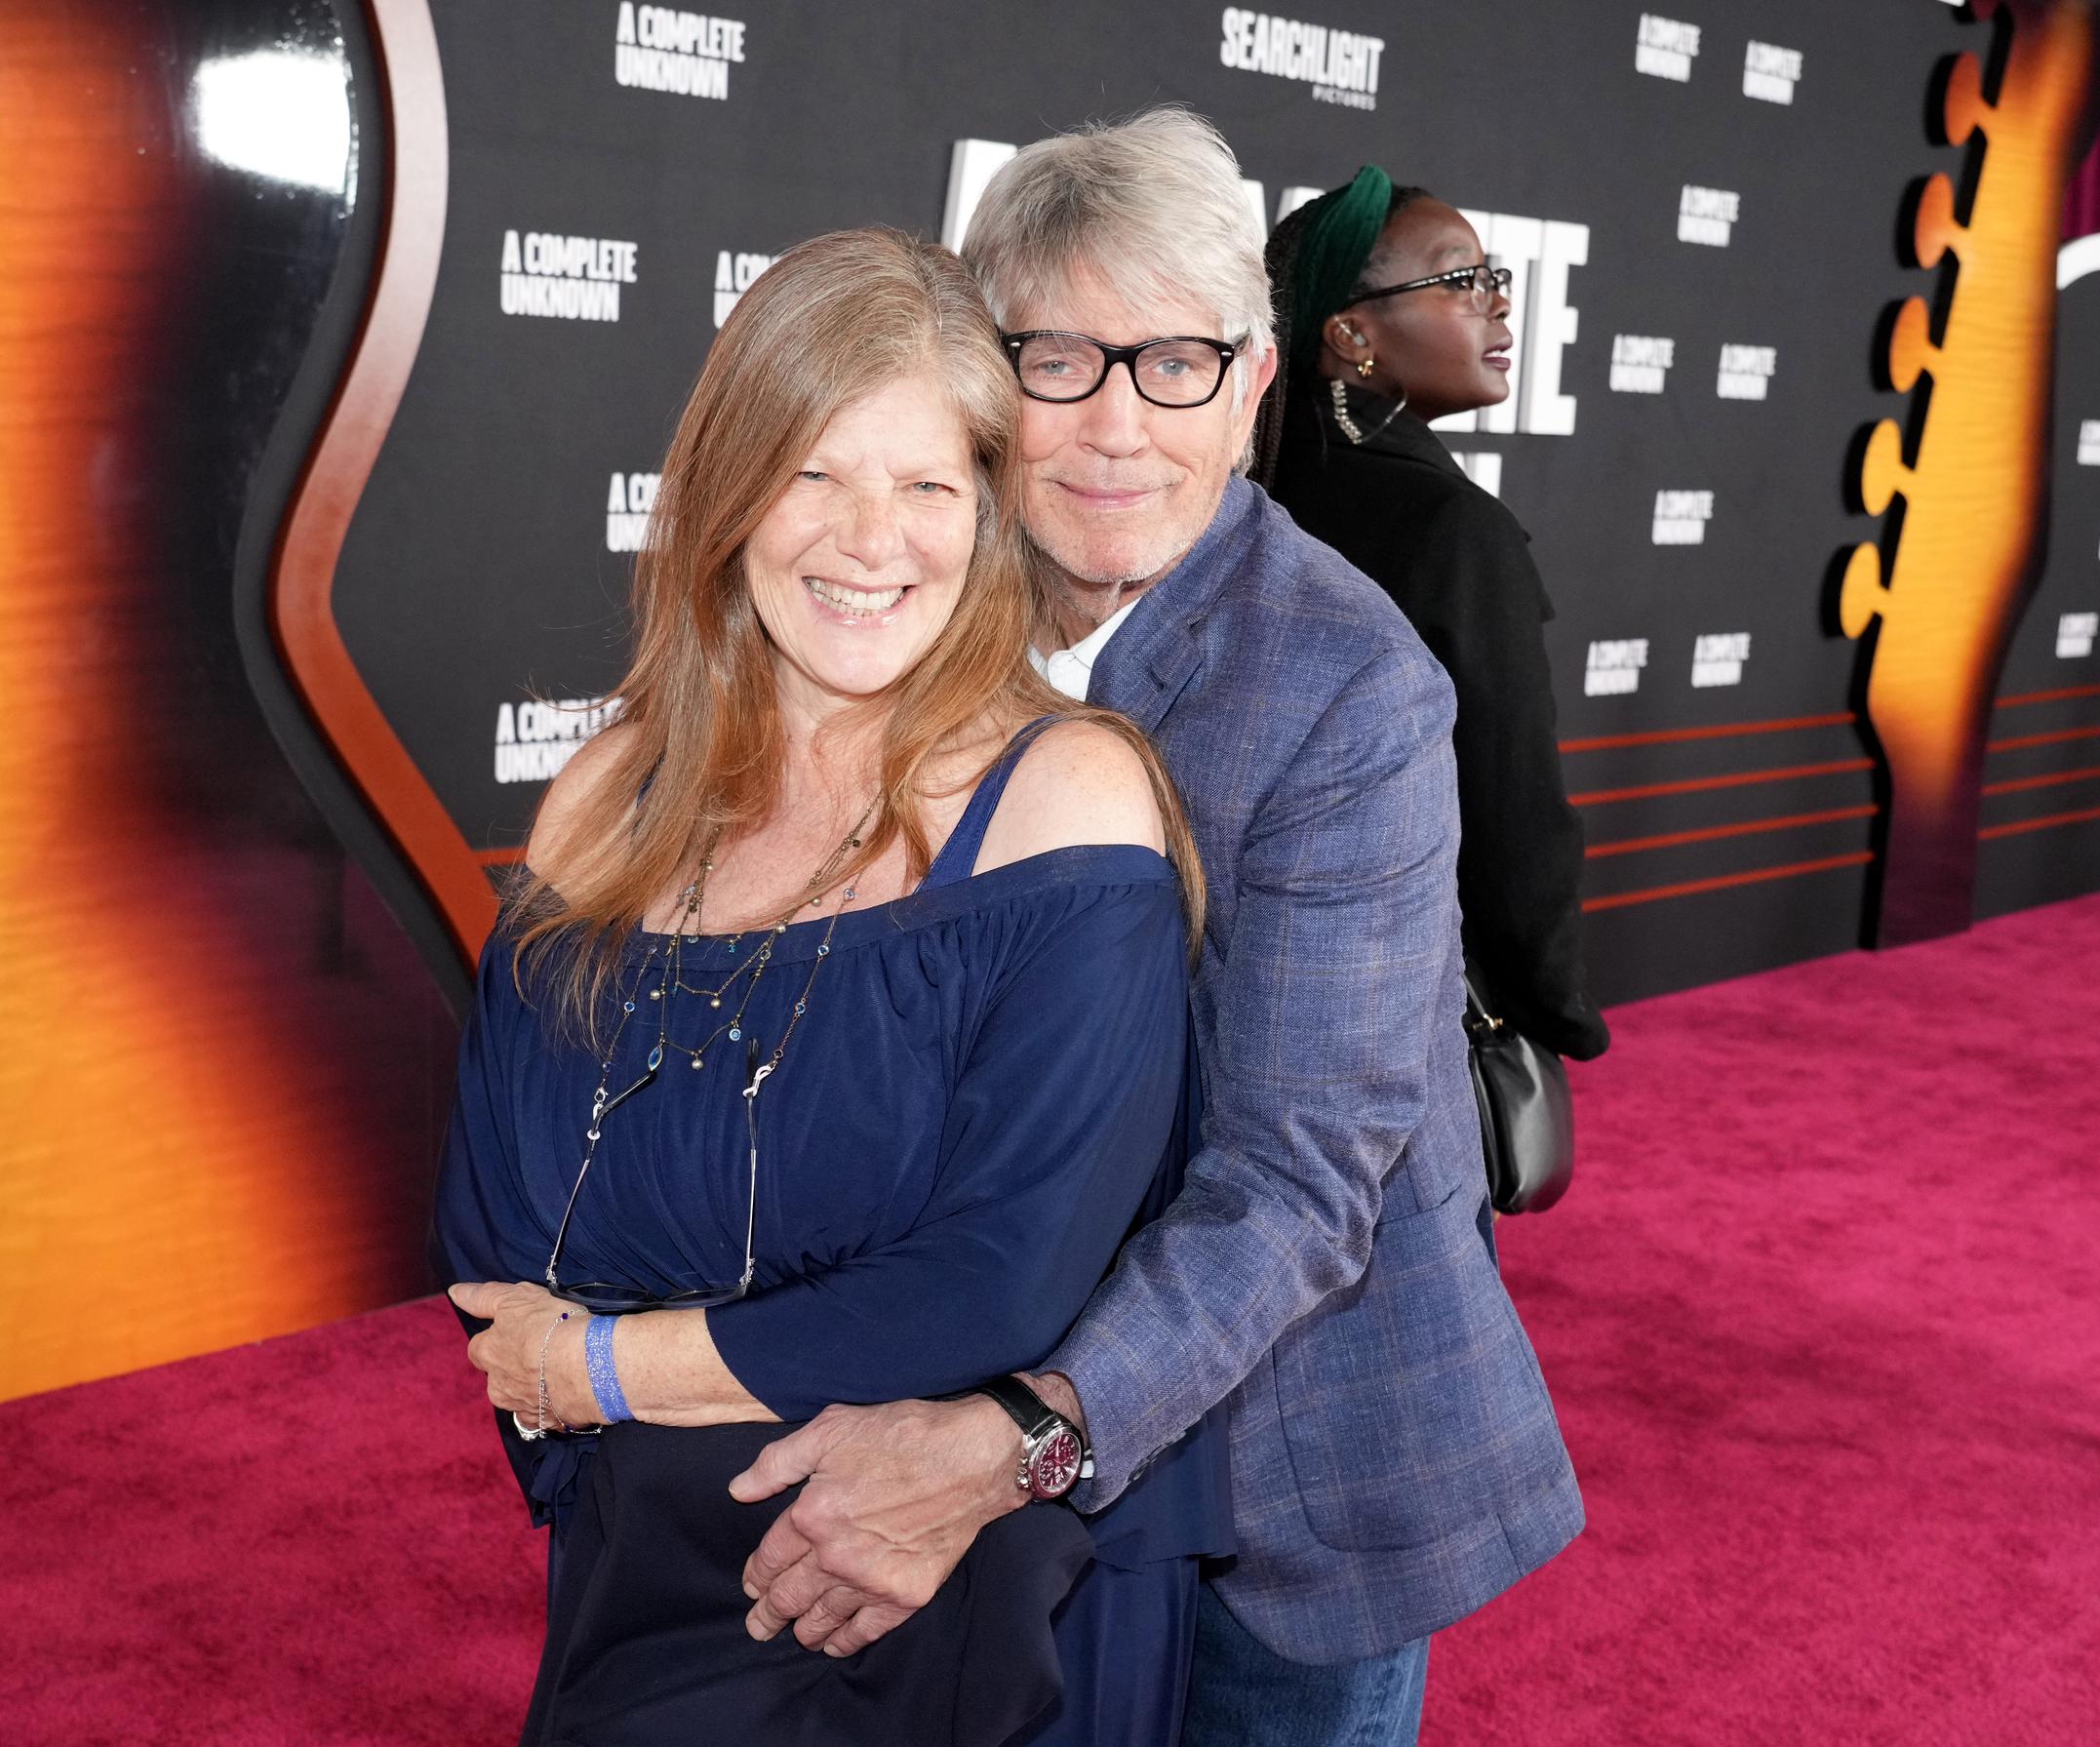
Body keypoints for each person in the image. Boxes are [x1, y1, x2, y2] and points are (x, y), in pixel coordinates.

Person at [721, 112, 1584, 1745]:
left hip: (1284, 1472)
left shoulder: (1348, 686)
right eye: (1056, 357)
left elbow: (1306, 1180)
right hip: (983, 1382)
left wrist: (1010, 1440)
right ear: (984, 380)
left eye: (1176, 361)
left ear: (1255, 383)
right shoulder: (906, 603)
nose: (1117, 423)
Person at [436, 226, 1227, 1747]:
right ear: (730, 491)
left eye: (930, 484)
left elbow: (997, 1281)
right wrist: (631, 1393)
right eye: (815, 472)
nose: (874, 539)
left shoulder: (1070, 803)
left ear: (992, 518)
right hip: (639, 1557)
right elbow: (496, 1223)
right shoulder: (609, 792)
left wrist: (607, 1361)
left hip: (950, 1578)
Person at [1251, 168, 1608, 1062]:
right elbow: (1509, 805)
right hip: (1392, 1006)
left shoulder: (1238, 481)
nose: (1498, 307)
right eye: (1459, 280)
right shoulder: (1454, 530)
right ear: (1350, 333)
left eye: (1495, 279)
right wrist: (1555, 1004)